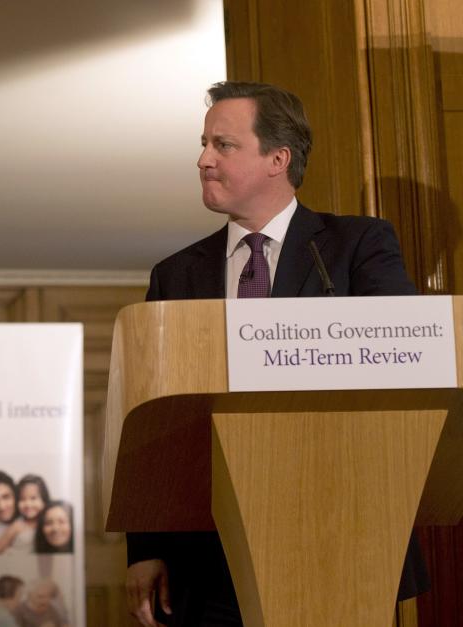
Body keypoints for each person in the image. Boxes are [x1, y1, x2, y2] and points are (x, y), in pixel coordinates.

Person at [125, 80, 430, 627]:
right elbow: (154, 419)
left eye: (224, 145)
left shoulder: (356, 246)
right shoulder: (175, 274)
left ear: (278, 158)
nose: (203, 159)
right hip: (209, 552)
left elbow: (405, 363)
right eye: (204, 144)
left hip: (344, 534)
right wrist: (146, 544)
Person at [0, 474, 49, 554]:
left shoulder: (49, 524)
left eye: (33, 498)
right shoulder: (18, 525)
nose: (28, 504)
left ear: (44, 499)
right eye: (22, 499)